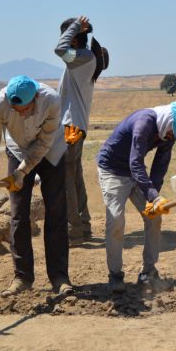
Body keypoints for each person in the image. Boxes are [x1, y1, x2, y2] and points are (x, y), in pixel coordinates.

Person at [0, 75, 73, 297]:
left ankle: (59, 277)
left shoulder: (51, 100)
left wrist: (22, 172)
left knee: (56, 213)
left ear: (36, 97)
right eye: (15, 108)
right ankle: (22, 277)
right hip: (17, 149)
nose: (20, 112)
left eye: (25, 108)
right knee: (19, 214)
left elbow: (43, 143)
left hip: (50, 152)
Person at [96, 101, 176, 293]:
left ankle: (149, 272)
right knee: (116, 220)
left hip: (136, 172)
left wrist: (154, 199)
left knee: (155, 217)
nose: (171, 136)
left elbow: (160, 164)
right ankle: (115, 275)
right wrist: (152, 194)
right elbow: (135, 163)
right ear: (169, 120)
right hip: (113, 170)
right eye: (172, 130)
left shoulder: (169, 132)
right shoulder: (144, 123)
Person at [55, 15, 107, 245]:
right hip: (76, 125)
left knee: (66, 178)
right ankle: (83, 225)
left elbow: (59, 49)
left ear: (74, 40)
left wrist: (75, 27)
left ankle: (73, 231)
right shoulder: (84, 58)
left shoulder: (82, 58)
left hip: (70, 126)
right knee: (74, 176)